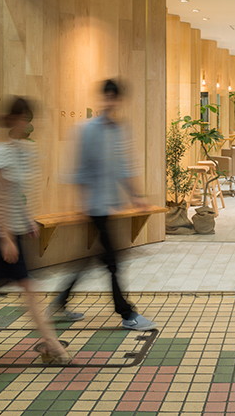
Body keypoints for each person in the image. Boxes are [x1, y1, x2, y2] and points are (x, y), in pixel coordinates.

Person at [0, 97, 70, 368]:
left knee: (27, 287)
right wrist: (6, 238)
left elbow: (12, 194)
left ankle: (49, 343)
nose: (29, 125)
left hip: (9, 230)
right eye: (26, 119)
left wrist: (26, 219)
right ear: (14, 120)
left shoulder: (15, 149)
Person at [49, 79, 157, 331]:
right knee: (112, 262)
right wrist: (81, 200)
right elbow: (77, 168)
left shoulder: (119, 130)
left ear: (118, 100)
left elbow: (124, 167)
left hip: (109, 204)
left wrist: (136, 197)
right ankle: (126, 312)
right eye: (107, 97)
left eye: (114, 97)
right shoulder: (87, 129)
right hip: (94, 205)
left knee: (92, 258)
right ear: (102, 99)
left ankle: (60, 300)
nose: (110, 101)